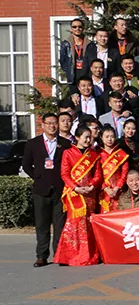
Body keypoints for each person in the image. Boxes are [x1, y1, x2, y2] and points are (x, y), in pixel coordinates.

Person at [22, 113, 73, 267]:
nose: (52, 126)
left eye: (54, 123)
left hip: (60, 189)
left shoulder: (65, 144)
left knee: (59, 224)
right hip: (41, 189)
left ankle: (59, 255)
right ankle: (42, 256)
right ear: (43, 125)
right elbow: (26, 165)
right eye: (49, 123)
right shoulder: (33, 143)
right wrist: (36, 177)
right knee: (42, 224)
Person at [54, 126, 102, 266]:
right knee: (74, 224)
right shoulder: (68, 153)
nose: (88, 140)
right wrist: (76, 188)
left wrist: (92, 186)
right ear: (77, 137)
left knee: (88, 224)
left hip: (90, 193)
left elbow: (98, 174)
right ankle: (70, 256)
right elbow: (65, 174)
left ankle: (89, 255)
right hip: (74, 193)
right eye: (85, 137)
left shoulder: (93, 154)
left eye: (90, 137)